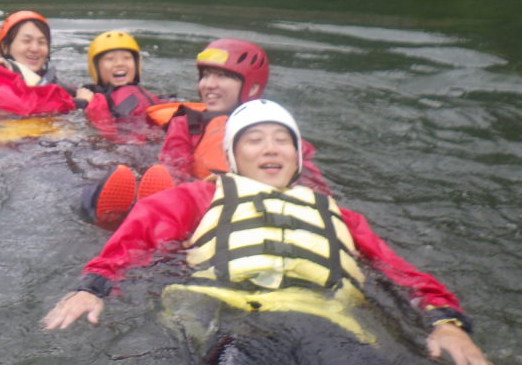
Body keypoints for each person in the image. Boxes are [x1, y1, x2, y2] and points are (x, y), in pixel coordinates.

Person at [43, 100, 491, 365]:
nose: (271, 148)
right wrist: (93, 287)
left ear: (297, 156)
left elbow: (403, 275)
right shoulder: (201, 196)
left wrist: (446, 323)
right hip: (236, 319)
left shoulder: (340, 215)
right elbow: (139, 233)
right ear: (234, 156)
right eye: (255, 140)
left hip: (330, 325)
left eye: (282, 140)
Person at [84, 38, 330, 229]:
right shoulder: (187, 124)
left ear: (253, 86)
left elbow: (317, 192)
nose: (208, 84)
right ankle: (115, 214)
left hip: (255, 213)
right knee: (96, 192)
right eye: (205, 76)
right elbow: (173, 168)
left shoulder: (282, 136)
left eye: (222, 76)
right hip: (200, 205)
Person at [0, 10, 77, 116]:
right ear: (5, 47)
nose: (35, 49)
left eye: (42, 42)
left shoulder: (55, 84)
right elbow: (21, 106)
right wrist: (77, 104)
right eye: (26, 41)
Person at [74, 30, 163, 145]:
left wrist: (87, 105)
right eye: (109, 59)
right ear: (96, 67)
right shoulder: (141, 96)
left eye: (127, 58)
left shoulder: (135, 100)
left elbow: (111, 137)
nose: (120, 63)